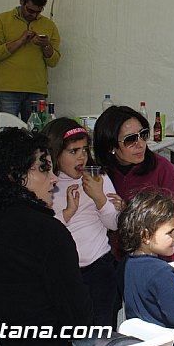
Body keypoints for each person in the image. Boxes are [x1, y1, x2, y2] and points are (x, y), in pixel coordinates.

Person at [0, 128, 92, 346]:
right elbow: (79, 321)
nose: (54, 180)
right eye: (44, 169)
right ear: (15, 174)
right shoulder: (47, 233)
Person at [42, 118, 122, 327]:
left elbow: (114, 223)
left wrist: (100, 199)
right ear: (54, 152)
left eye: (85, 149)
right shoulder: (46, 183)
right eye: (73, 151)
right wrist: (67, 213)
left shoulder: (97, 177)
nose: (82, 157)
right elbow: (43, 232)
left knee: (101, 329)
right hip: (64, 272)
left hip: (99, 268)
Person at [94, 105, 174, 261]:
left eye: (143, 135)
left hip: (164, 254)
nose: (140, 144)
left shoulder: (162, 168)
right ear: (111, 146)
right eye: (130, 139)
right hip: (117, 257)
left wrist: (131, 212)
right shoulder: (100, 175)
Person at [118, 191, 174, 346]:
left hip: (140, 343)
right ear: (146, 236)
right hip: (168, 345)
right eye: (170, 233)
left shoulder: (125, 265)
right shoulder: (162, 272)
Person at [0, 0, 61, 122]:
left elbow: (54, 61)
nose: (34, 15)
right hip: (7, 89)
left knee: (37, 135)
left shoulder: (49, 25)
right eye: (30, 10)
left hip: (37, 90)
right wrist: (20, 41)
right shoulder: (1, 20)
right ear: (21, 1)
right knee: (7, 133)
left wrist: (46, 46)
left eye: (39, 11)